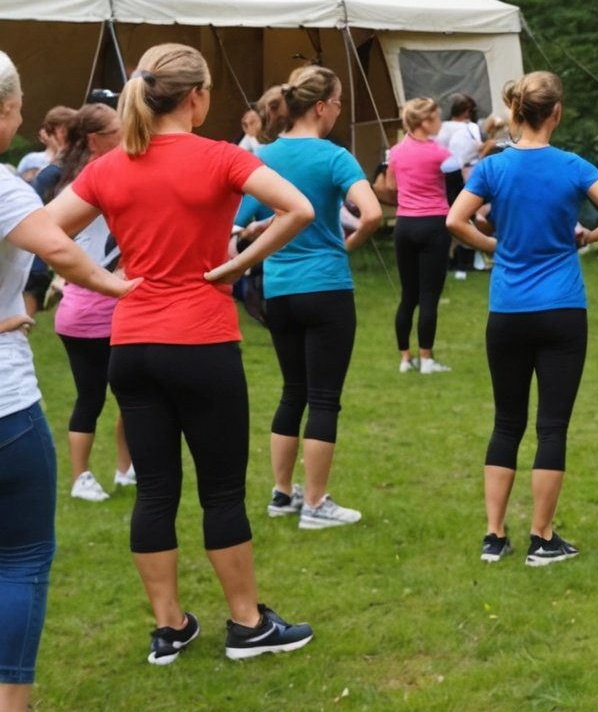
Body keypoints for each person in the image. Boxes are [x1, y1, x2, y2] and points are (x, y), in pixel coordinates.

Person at [47, 43, 319, 664]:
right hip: (200, 341)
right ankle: (248, 626)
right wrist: (234, 265)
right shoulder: (219, 157)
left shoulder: (112, 166)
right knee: (220, 491)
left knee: (154, 492)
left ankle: (169, 627)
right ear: (196, 97)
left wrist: (108, 283)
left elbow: (47, 230)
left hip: (133, 345)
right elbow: (298, 208)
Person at [0, 54, 139, 712]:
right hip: (4, 408)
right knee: (20, 558)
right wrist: (131, 289)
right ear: (7, 113)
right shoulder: (6, 189)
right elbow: (69, 256)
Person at [448, 71, 598, 566]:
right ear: (556, 113)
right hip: (561, 307)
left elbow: (454, 219)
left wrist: (494, 245)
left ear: (516, 113)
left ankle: (494, 535)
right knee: (551, 426)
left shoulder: (494, 168)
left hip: (507, 307)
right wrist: (589, 238)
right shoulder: (572, 166)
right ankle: (542, 537)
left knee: (506, 422)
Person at [242, 65, 382, 530]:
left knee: (292, 391)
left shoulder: (262, 156)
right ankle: (316, 503)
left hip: (278, 290)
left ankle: (282, 494)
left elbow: (241, 222)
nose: (339, 111)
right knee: (324, 399)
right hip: (325, 287)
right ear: (321, 107)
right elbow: (373, 213)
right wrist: (343, 247)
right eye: (339, 102)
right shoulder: (334, 157)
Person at [46, 105, 134, 502]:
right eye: (117, 131)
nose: (125, 134)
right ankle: (81, 477)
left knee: (129, 392)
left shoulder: (101, 175)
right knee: (92, 396)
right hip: (89, 310)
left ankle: (125, 470)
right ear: (96, 140)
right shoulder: (88, 182)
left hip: (109, 306)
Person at [381, 98, 455, 374]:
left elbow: (390, 185)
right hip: (434, 223)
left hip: (405, 225)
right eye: (436, 117)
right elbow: (457, 188)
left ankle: (404, 358)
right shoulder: (442, 154)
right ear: (425, 122)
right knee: (429, 296)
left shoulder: (396, 152)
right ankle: (426, 359)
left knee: (407, 295)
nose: (439, 122)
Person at [436, 94, 485, 279]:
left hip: (441, 175)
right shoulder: (471, 128)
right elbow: (476, 150)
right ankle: (463, 261)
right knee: (464, 217)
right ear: (467, 111)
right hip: (463, 174)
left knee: (448, 217)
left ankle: (449, 260)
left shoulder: (442, 127)